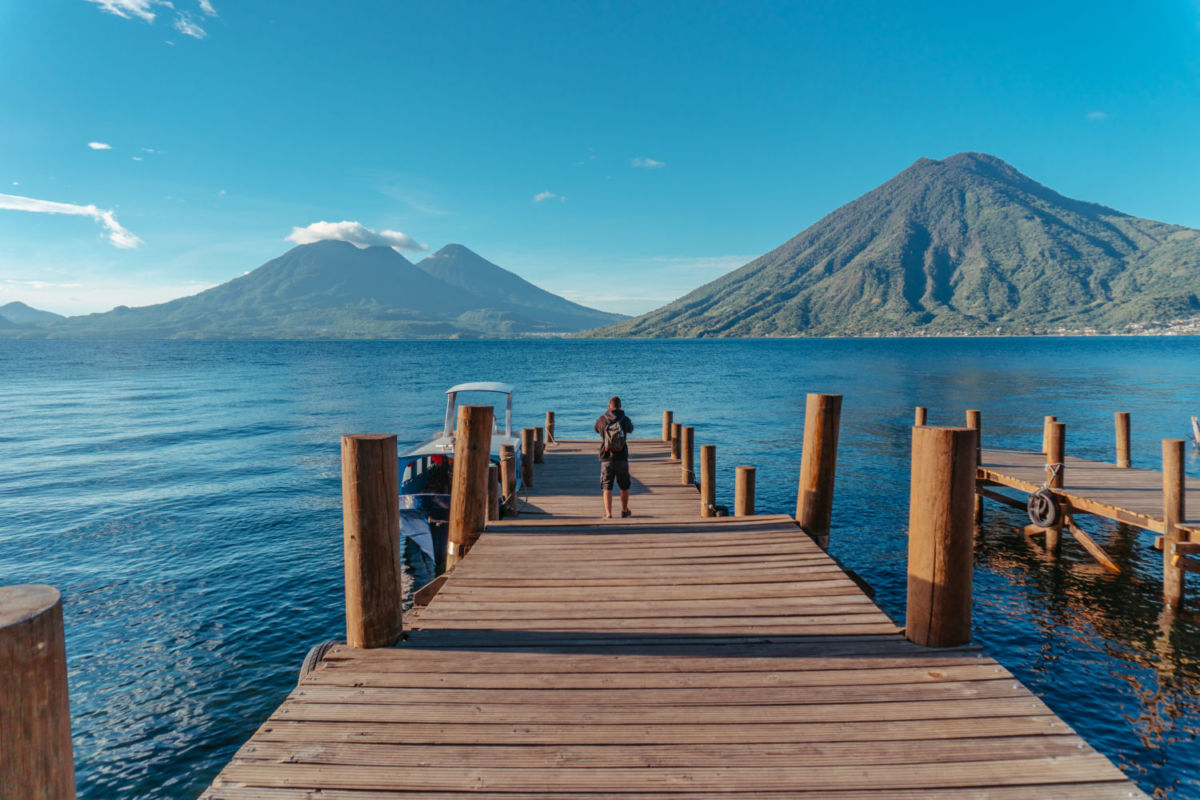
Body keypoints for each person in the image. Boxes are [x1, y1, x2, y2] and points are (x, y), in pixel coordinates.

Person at [594, 396, 634, 519]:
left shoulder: (602, 419)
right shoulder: (625, 419)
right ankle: (624, 510)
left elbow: (596, 429)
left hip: (606, 457)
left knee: (607, 487)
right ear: (620, 406)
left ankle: (608, 514)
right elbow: (631, 429)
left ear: (609, 406)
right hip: (621, 457)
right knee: (624, 486)